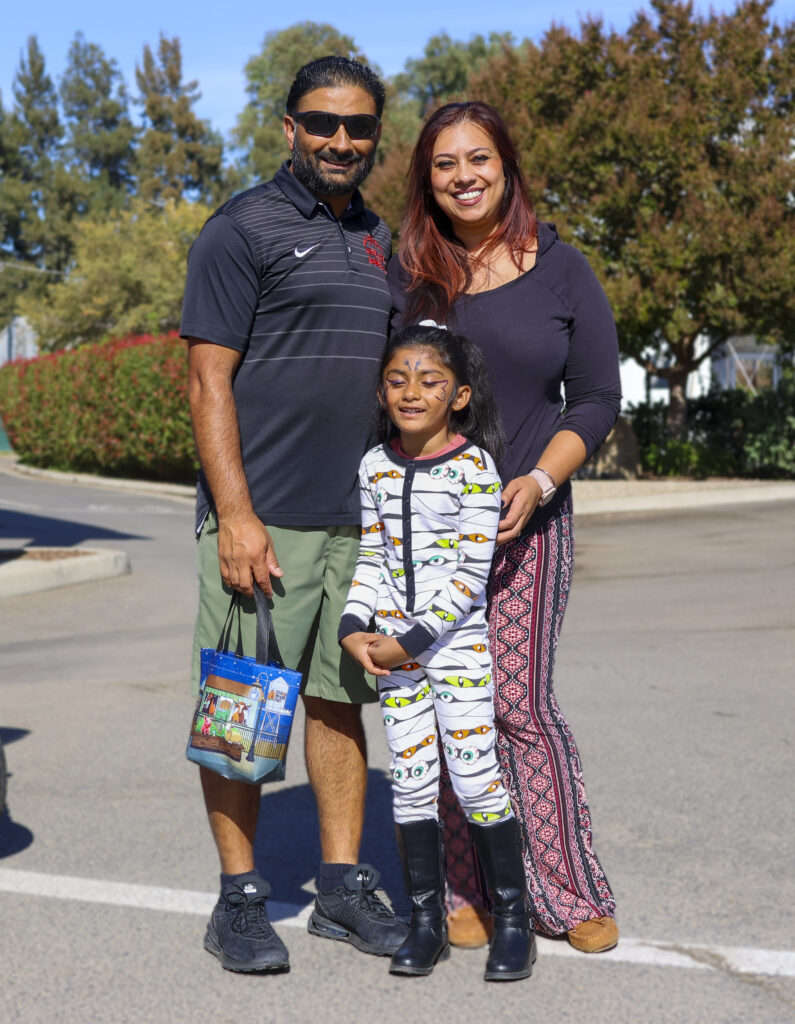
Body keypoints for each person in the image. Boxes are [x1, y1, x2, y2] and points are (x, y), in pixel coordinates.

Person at [181, 56, 407, 973]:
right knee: (243, 709)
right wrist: (236, 514)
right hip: (261, 522)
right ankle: (238, 900)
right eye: (322, 123)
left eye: (358, 128)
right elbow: (207, 379)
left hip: (355, 523)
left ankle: (340, 889)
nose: (340, 141)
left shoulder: (378, 239)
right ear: (288, 128)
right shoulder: (241, 229)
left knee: (339, 703)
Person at [388, 102, 621, 954]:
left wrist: (537, 479)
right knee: (449, 707)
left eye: (478, 158)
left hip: (527, 519)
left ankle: (570, 892)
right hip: (425, 530)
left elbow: (595, 396)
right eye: (444, 163)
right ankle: (466, 889)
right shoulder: (409, 275)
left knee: (519, 708)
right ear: (427, 178)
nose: (463, 176)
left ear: (506, 165)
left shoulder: (562, 270)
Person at [339, 324, 536, 981]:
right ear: (379, 391)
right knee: (413, 787)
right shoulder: (373, 465)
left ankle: (512, 919)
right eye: (397, 381)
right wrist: (352, 626)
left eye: (428, 382)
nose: (411, 392)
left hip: (452, 655)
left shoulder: (475, 468)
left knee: (476, 779)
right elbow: (371, 557)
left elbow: (467, 579)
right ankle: (426, 922)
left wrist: (408, 642)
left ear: (458, 395)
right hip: (396, 658)